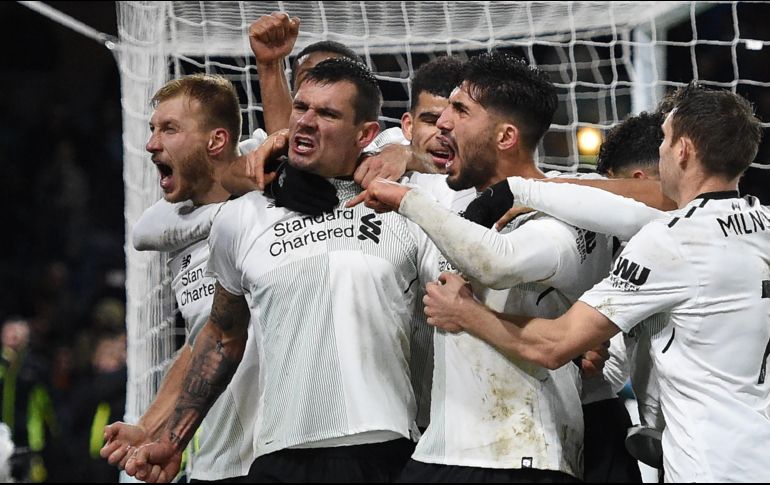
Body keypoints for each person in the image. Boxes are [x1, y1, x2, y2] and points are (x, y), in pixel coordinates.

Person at [422, 83, 770, 483]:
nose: (660, 151)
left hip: (709, 465)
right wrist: (522, 188)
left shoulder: (670, 242)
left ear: (683, 150)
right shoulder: (759, 226)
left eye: (665, 139)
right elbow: (622, 213)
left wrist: (467, 313)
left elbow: (552, 345)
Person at [123, 57, 436, 483]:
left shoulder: (406, 209)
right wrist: (173, 440)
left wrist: (407, 154)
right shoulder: (242, 218)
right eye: (301, 108)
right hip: (277, 458)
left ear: (365, 134)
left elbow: (470, 171)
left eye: (326, 113)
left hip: (384, 450)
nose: (305, 122)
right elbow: (221, 336)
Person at [361, 52, 617, 482]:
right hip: (439, 452)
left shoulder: (570, 215)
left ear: (505, 137)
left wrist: (406, 199)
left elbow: (499, 262)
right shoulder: (455, 208)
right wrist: (397, 151)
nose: (444, 123)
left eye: (460, 111)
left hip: (523, 453)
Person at [99, 74, 263, 483]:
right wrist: (151, 426)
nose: (152, 143)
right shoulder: (173, 229)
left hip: (285, 455)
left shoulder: (271, 204)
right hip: (216, 462)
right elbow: (204, 340)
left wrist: (269, 66)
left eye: (169, 129)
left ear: (216, 141)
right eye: (152, 130)